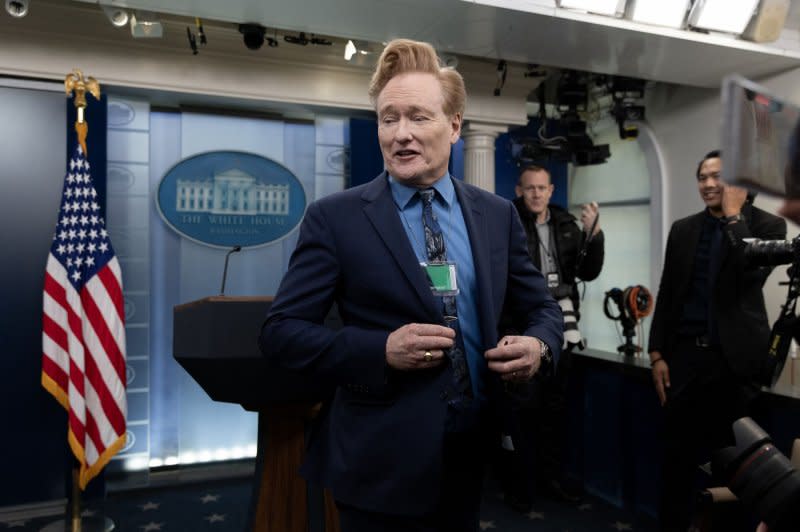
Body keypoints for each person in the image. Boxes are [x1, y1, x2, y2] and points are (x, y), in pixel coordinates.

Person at [259, 38, 563, 532]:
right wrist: (379, 349)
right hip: (378, 462)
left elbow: (543, 310)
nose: (401, 134)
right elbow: (280, 333)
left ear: (456, 126)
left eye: (419, 117)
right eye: (388, 118)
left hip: (472, 454)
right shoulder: (335, 219)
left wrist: (540, 346)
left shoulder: (496, 215)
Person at [648, 150, 787, 532]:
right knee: (676, 463)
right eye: (702, 177)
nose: (709, 184)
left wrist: (732, 215)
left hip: (736, 367)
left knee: (738, 469)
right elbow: (669, 291)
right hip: (685, 362)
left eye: (718, 177)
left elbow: (747, 270)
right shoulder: (683, 229)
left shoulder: (770, 227)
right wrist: (657, 352)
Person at [496, 165, 604, 510]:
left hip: (561, 329)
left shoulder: (566, 225)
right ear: (519, 190)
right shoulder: (505, 221)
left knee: (554, 412)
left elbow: (588, 271)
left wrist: (594, 236)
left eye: (542, 188)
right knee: (521, 412)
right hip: (518, 327)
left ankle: (550, 481)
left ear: (551, 190)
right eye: (530, 188)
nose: (536, 194)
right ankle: (520, 487)